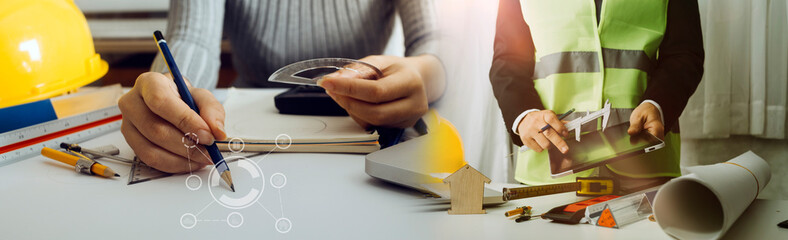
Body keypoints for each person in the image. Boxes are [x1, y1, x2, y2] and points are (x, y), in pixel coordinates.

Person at [118, 0, 445, 173]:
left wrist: (424, 74)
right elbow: (191, 36)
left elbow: (435, 39)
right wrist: (167, 91)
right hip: (248, 145)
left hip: (365, 136)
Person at [490, 0, 704, 187]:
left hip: (645, 165)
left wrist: (658, 104)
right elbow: (508, 62)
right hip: (547, 171)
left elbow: (684, 55)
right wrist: (525, 115)